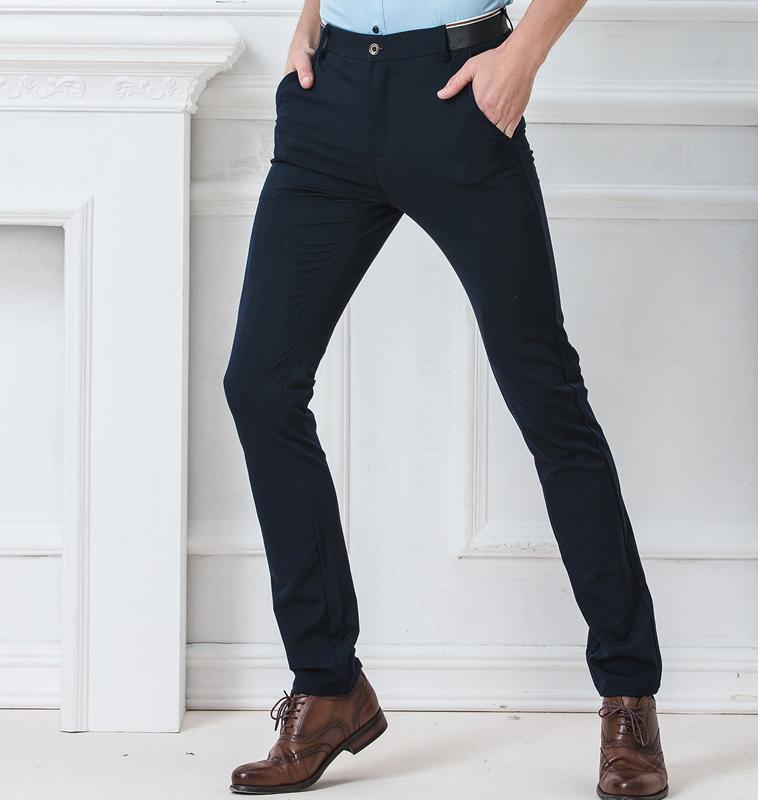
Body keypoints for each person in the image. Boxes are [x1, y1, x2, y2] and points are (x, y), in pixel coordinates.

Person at [223, 1, 668, 797]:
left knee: (546, 397)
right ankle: (327, 686)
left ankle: (629, 696)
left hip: (458, 93)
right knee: (260, 385)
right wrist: (310, 17)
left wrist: (524, 54)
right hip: (330, 96)